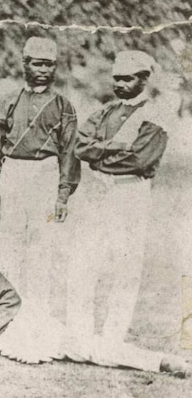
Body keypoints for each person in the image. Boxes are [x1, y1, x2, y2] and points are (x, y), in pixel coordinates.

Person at [0, 219, 191, 379]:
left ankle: (161, 362)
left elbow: (10, 299)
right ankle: (159, 361)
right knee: (79, 350)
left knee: (82, 346)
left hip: (15, 323)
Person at [67, 50, 170, 343]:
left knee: (126, 265)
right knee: (85, 259)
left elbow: (139, 160)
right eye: (117, 79)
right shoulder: (106, 111)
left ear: (144, 79)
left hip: (131, 192)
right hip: (99, 192)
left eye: (128, 79)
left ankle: (113, 336)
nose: (121, 84)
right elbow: (80, 146)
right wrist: (113, 147)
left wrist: (99, 152)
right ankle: (79, 333)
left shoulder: (155, 115)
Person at [0, 37, 80, 303]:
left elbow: (70, 152)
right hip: (13, 172)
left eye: (49, 65)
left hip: (46, 175)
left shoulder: (63, 106)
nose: (44, 70)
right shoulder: (7, 102)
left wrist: (63, 195)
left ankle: (37, 316)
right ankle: (7, 311)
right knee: (10, 243)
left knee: (42, 245)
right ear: (25, 64)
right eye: (38, 64)